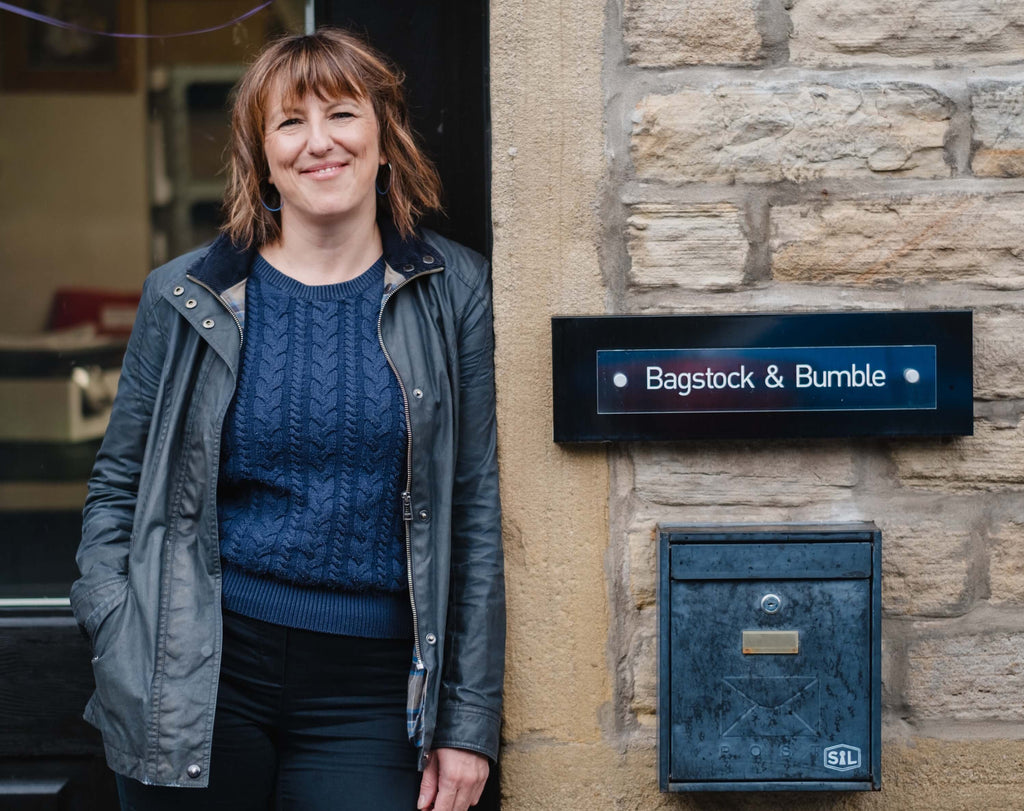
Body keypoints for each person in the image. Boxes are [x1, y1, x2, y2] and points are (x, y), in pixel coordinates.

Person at [70, 28, 504, 811]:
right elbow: (116, 488)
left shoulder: (453, 291)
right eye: (289, 123)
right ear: (261, 156)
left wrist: (467, 722)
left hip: (374, 689)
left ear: (382, 139)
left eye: (341, 114)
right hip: (198, 672)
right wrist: (116, 623)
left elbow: (472, 514)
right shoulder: (185, 295)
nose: (319, 143)